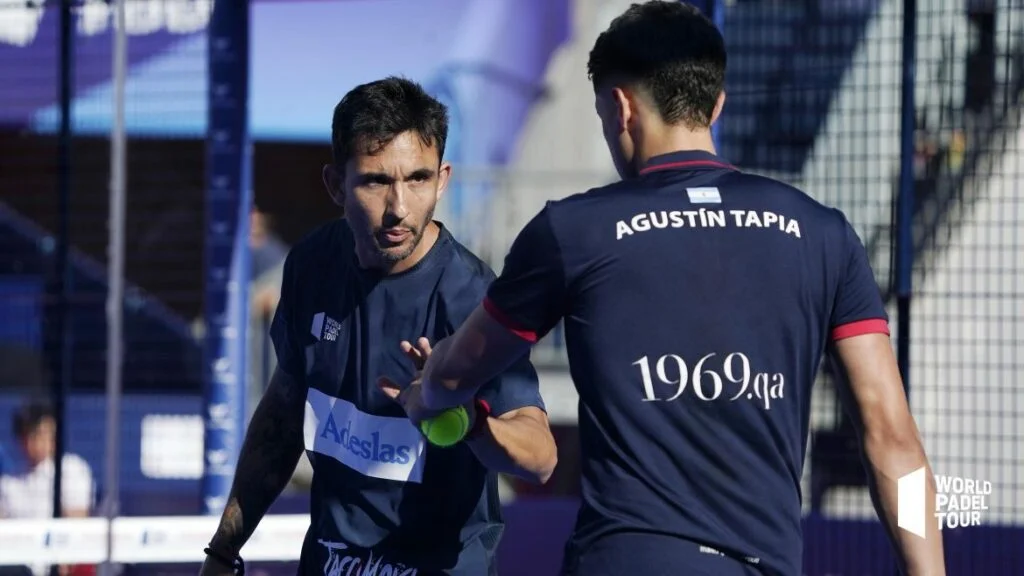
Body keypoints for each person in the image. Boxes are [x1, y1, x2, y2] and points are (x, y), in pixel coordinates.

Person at [391, 2, 946, 575]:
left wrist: (426, 393)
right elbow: (893, 441)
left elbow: (458, 373)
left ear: (620, 106)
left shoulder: (573, 230)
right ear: (717, 105)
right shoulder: (823, 233)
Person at [199, 76, 557, 576]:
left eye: (418, 179)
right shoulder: (311, 264)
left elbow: (540, 458)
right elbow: (283, 416)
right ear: (334, 184)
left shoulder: (473, 297)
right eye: (375, 181)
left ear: (443, 179)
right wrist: (222, 551)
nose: (399, 209)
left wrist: (467, 419)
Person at [0, 401, 94, 576]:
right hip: (15, 564)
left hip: (55, 565)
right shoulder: (9, 479)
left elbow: (77, 522)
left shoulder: (71, 469)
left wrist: (65, 558)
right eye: (33, 435)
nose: (42, 442)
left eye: (48, 435)